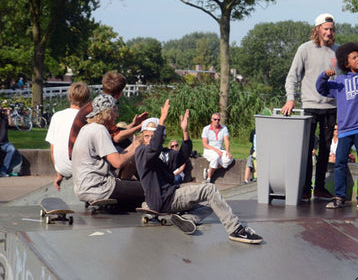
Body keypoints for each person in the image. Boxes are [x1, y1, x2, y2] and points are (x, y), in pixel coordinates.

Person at [135, 99, 263, 243]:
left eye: (153, 137)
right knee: (209, 189)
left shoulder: (165, 154)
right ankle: (235, 229)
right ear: (142, 137)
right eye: (146, 137)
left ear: (162, 138)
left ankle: (186, 218)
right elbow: (153, 149)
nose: (150, 140)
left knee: (211, 203)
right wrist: (162, 121)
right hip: (164, 198)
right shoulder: (141, 152)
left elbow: (183, 155)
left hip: (168, 198)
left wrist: (185, 132)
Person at [316, 42, 358, 210]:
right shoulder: (339, 82)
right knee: (339, 162)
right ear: (346, 64)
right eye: (354, 57)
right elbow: (321, 89)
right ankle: (339, 196)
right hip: (345, 130)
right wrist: (324, 75)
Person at [282, 13, 338, 201]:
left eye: (331, 29)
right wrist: (291, 99)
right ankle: (305, 188)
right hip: (310, 107)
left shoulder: (338, 51)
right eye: (325, 29)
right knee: (306, 149)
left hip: (331, 107)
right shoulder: (305, 49)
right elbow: (292, 76)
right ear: (318, 30)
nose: (329, 32)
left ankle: (319, 188)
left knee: (325, 148)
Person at [72, 94, 144, 209]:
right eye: (115, 111)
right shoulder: (99, 130)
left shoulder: (87, 128)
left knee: (134, 193)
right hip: (99, 187)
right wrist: (136, 147)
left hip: (84, 187)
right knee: (150, 188)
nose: (117, 115)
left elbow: (118, 157)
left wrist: (134, 145)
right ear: (107, 112)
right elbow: (118, 162)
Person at [69, 71, 148, 161]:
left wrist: (133, 125)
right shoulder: (105, 107)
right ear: (119, 93)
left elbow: (114, 132)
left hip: (74, 154)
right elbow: (117, 138)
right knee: (130, 148)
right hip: (81, 159)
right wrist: (140, 127)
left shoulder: (99, 102)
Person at [45, 82, 90, 190]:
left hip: (61, 168)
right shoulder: (87, 118)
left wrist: (59, 172)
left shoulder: (57, 116)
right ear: (87, 100)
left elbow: (52, 148)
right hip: (79, 169)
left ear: (69, 97)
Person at [201, 113, 234, 183]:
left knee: (229, 159)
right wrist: (216, 150)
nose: (216, 121)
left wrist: (227, 151)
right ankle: (209, 178)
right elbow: (204, 144)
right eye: (215, 119)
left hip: (220, 149)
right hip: (209, 149)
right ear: (211, 119)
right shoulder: (206, 129)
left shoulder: (224, 128)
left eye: (218, 120)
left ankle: (209, 170)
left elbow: (226, 141)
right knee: (215, 157)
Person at [0, 105, 18, 177]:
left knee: (12, 149)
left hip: (5, 143)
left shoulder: (5, 118)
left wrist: (8, 114)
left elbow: (11, 124)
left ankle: (3, 170)